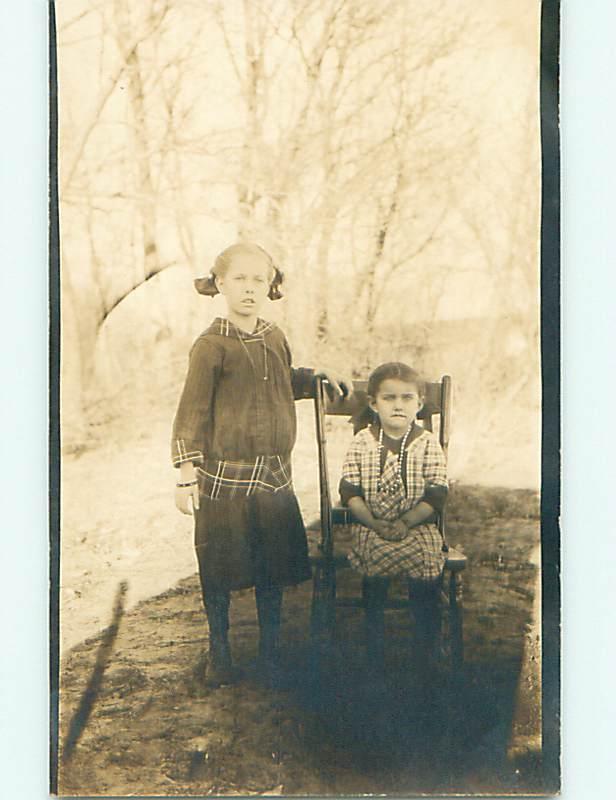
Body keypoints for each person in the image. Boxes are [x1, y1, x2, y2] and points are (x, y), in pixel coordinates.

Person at [172, 242, 351, 689]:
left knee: (270, 565)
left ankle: (271, 650)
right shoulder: (210, 347)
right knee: (221, 566)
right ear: (219, 284)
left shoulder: (274, 337)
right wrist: (185, 473)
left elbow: (282, 383)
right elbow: (191, 411)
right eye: (239, 279)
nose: (249, 289)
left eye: (258, 279)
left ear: (271, 285)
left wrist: (315, 378)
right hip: (225, 477)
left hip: (274, 473)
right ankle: (220, 650)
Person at [339, 362, 448, 678]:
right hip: (370, 524)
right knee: (373, 557)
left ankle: (425, 646)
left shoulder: (427, 443)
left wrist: (406, 522)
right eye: (389, 398)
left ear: (419, 403)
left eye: (406, 398)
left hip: (418, 525)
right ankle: (375, 644)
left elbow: (436, 493)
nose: (398, 405)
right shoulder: (362, 442)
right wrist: (373, 523)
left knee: (427, 559)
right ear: (373, 404)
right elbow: (350, 490)